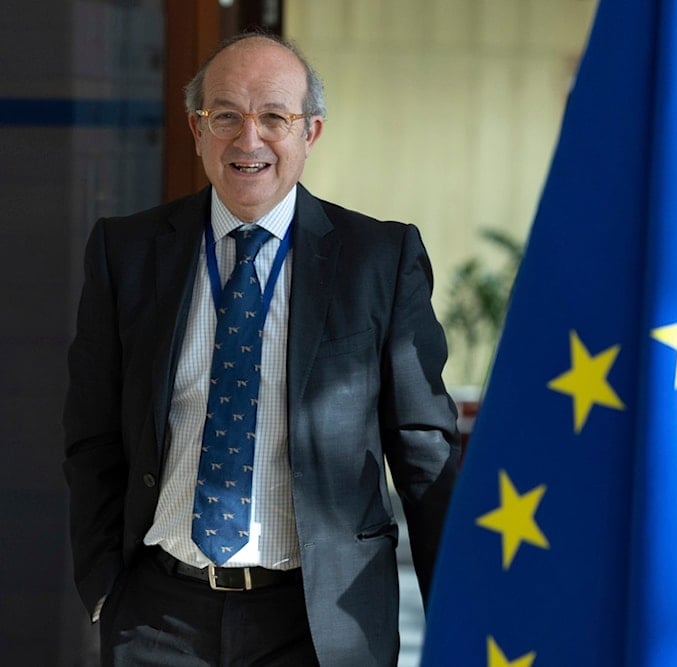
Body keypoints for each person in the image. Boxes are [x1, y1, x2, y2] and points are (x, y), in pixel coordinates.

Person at [62, 31, 460, 666]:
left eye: (274, 117)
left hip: (320, 623)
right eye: (226, 116)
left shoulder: (379, 261)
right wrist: (104, 587)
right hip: (158, 617)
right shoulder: (126, 252)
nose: (249, 141)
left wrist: (462, 614)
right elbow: (92, 435)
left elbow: (423, 456)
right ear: (196, 129)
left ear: (312, 132)